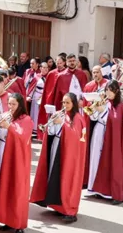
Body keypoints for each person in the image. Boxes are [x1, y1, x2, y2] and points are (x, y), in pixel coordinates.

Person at [31, 93, 86, 223]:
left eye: (67, 103)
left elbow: (75, 137)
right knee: (55, 175)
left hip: (70, 154)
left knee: (67, 180)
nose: (65, 106)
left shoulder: (78, 118)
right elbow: (55, 132)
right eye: (63, 103)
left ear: (74, 104)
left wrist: (63, 124)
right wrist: (52, 125)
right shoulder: (62, 115)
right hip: (57, 147)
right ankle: (57, 205)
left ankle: (69, 210)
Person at [0, 93, 33, 233]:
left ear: (20, 105)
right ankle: (6, 219)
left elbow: (22, 137)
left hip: (18, 159)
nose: (11, 107)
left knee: (17, 190)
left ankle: (19, 224)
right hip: (4, 153)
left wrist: (8, 126)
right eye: (9, 104)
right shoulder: (7, 115)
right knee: (4, 187)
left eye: (14, 104)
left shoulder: (26, 119)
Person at [87, 80, 123, 204]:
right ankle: (96, 189)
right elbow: (93, 117)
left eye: (110, 90)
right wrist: (96, 109)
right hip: (99, 132)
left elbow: (116, 122)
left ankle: (113, 192)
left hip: (112, 136)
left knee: (112, 162)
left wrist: (103, 111)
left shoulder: (120, 106)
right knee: (96, 159)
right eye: (106, 90)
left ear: (116, 91)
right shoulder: (103, 102)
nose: (108, 92)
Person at [28, 62, 47, 135]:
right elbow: (32, 87)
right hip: (37, 96)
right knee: (35, 113)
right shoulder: (36, 77)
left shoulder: (50, 76)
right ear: (40, 68)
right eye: (44, 67)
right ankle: (35, 129)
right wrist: (29, 96)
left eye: (46, 68)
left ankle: (42, 129)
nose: (45, 69)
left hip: (45, 97)